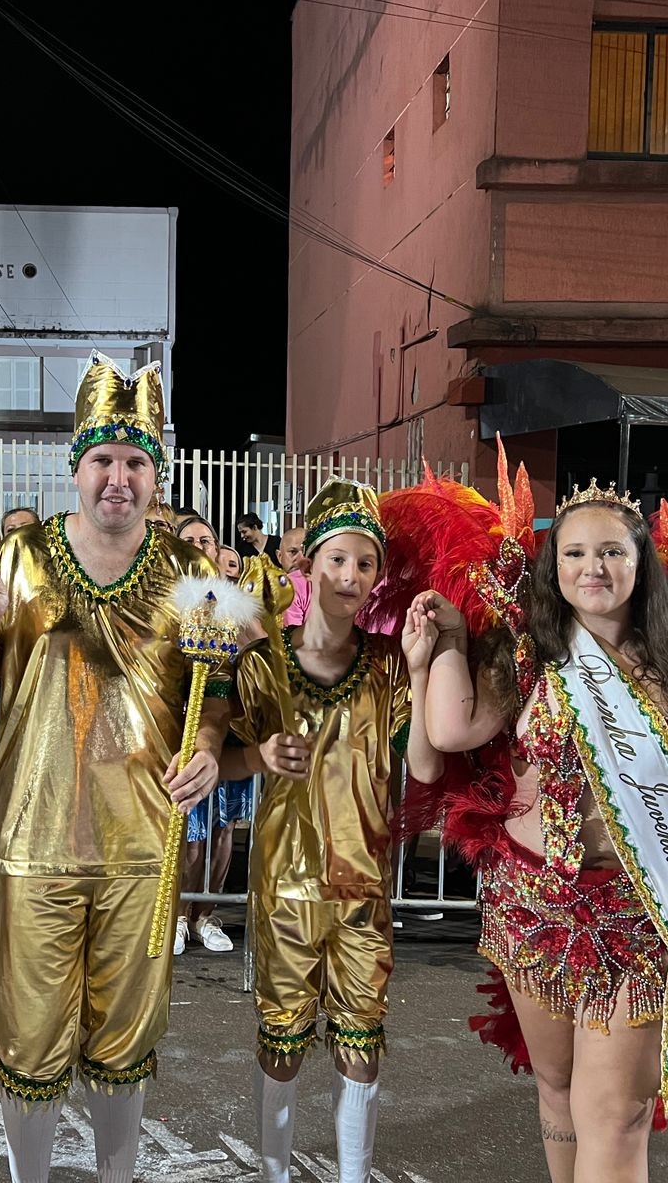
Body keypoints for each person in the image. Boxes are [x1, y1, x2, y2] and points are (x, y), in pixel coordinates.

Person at [417, 482, 668, 1180]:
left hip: (639, 915)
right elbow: (451, 730)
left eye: (610, 552)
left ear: (640, 564)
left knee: (617, 1113)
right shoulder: (528, 655)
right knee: (558, 1091)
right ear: (554, 567)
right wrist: (446, 642)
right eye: (574, 553)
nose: (591, 568)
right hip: (531, 908)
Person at [0, 351, 227, 1183]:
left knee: (125, 1041)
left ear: (158, 475)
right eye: (104, 461)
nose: (119, 478)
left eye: (137, 463)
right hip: (34, 838)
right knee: (31, 1038)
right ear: (75, 467)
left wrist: (212, 747)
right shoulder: (20, 556)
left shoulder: (195, 573)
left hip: (142, 844)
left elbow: (218, 689)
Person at [223, 480, 442, 1183]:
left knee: (362, 1043)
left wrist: (422, 663)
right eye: (338, 560)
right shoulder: (262, 666)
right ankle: (275, 1174)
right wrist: (255, 757)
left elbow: (425, 763)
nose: (351, 577)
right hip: (284, 888)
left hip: (364, 888)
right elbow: (213, 760)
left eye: (366, 564)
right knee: (282, 1043)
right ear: (309, 566)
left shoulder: (385, 669)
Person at [174, 513, 248, 957]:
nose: (200, 546)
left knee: (224, 828)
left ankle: (208, 914)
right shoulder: (168, 603)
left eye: (207, 540)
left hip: (231, 733)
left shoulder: (238, 606)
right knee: (190, 830)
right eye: (190, 540)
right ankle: (179, 914)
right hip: (179, 733)